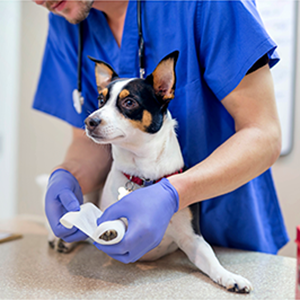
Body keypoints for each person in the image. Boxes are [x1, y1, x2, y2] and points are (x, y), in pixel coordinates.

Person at [33, 0, 289, 263]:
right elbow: (91, 141)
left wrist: (171, 194)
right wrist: (67, 178)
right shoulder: (66, 18)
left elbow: (263, 134)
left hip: (231, 243)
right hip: (133, 259)